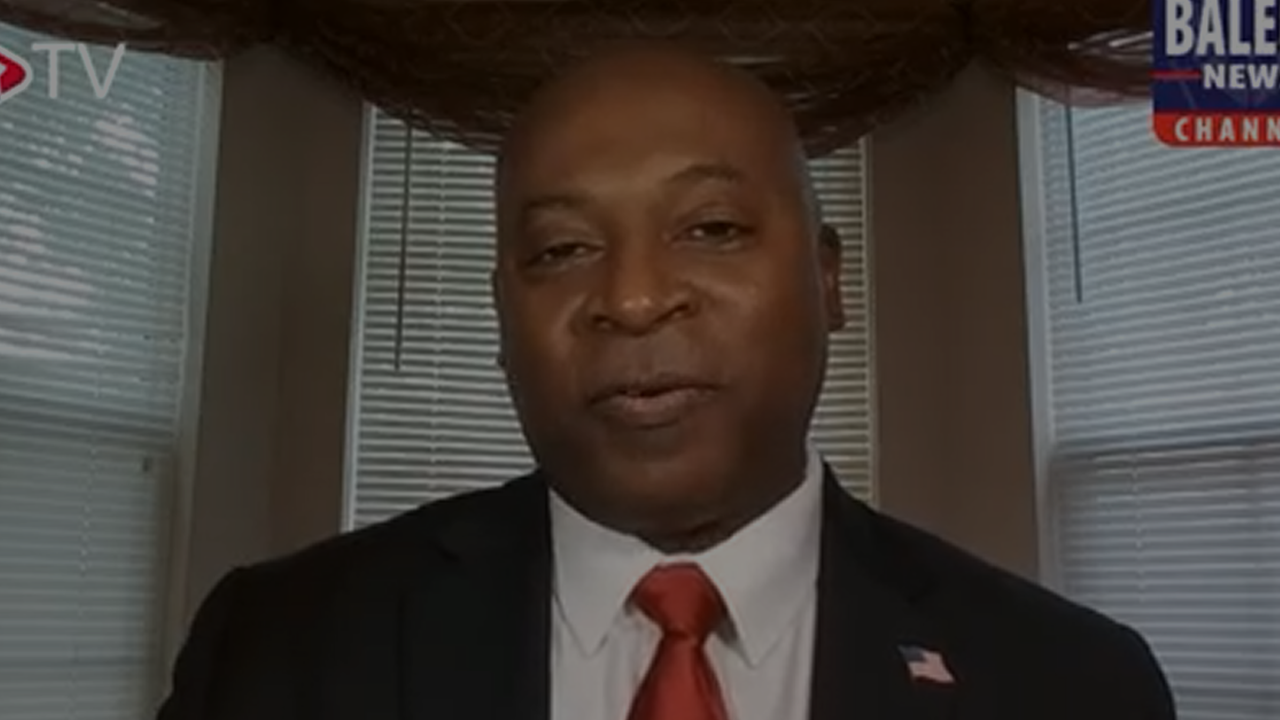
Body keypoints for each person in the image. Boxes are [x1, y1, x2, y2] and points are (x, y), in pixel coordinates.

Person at [155, 42, 1177, 720]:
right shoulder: (274, 650)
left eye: (712, 228)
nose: (633, 298)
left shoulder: (1074, 686)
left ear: (828, 282)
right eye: (561, 249)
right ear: (502, 314)